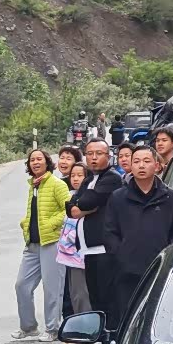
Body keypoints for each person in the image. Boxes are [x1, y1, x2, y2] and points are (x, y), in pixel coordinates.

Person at [104, 145, 173, 329]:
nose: (141, 165)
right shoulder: (118, 198)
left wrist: (169, 256)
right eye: (136, 161)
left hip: (160, 269)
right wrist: (121, 255)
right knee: (127, 319)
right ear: (131, 166)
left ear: (157, 166)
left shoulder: (170, 197)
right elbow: (110, 232)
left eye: (146, 161)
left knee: (157, 318)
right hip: (127, 271)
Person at [14, 149, 70, 342]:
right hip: (32, 244)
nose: (35, 162)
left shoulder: (57, 184)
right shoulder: (33, 185)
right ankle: (29, 327)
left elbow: (69, 209)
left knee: (52, 287)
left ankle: (53, 329)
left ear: (47, 163)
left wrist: (51, 224)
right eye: (32, 160)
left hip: (52, 242)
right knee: (22, 285)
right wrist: (25, 223)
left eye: (39, 159)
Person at [67, 140, 123, 332]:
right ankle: (102, 340)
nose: (93, 157)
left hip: (104, 249)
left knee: (108, 300)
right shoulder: (88, 179)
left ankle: (112, 339)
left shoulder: (112, 178)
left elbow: (86, 201)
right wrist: (82, 205)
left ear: (108, 156)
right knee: (96, 300)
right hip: (88, 249)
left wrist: (82, 205)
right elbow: (71, 207)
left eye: (99, 153)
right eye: (90, 153)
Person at [56, 162, 92, 313]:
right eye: (73, 175)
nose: (76, 179)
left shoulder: (89, 198)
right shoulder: (71, 196)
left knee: (81, 295)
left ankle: (85, 325)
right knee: (74, 294)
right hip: (69, 256)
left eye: (80, 175)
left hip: (80, 256)